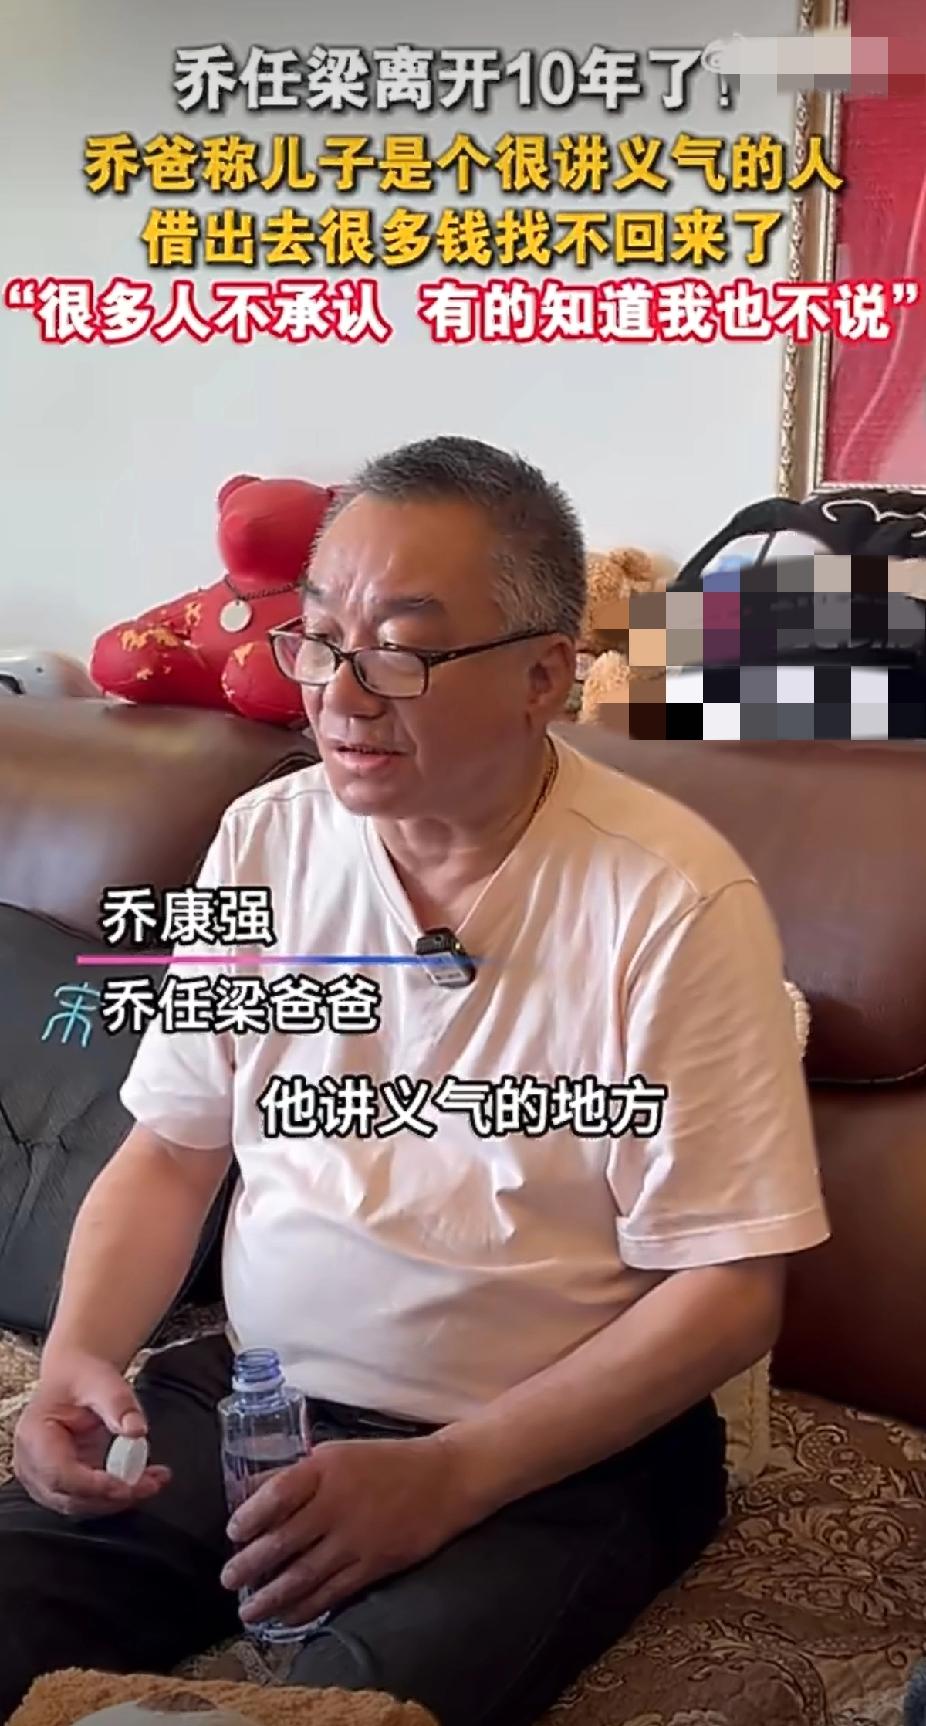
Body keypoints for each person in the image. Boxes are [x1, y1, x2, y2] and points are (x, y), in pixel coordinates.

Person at [0, 436, 829, 1726]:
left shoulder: (669, 899)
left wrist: (456, 1474)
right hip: (257, 1392)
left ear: (545, 674)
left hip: (554, 1453)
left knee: (365, 1709)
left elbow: (729, 1291)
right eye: (319, 640)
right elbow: (173, 1148)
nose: (341, 695)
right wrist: (76, 1361)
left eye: (399, 649)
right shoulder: (266, 840)